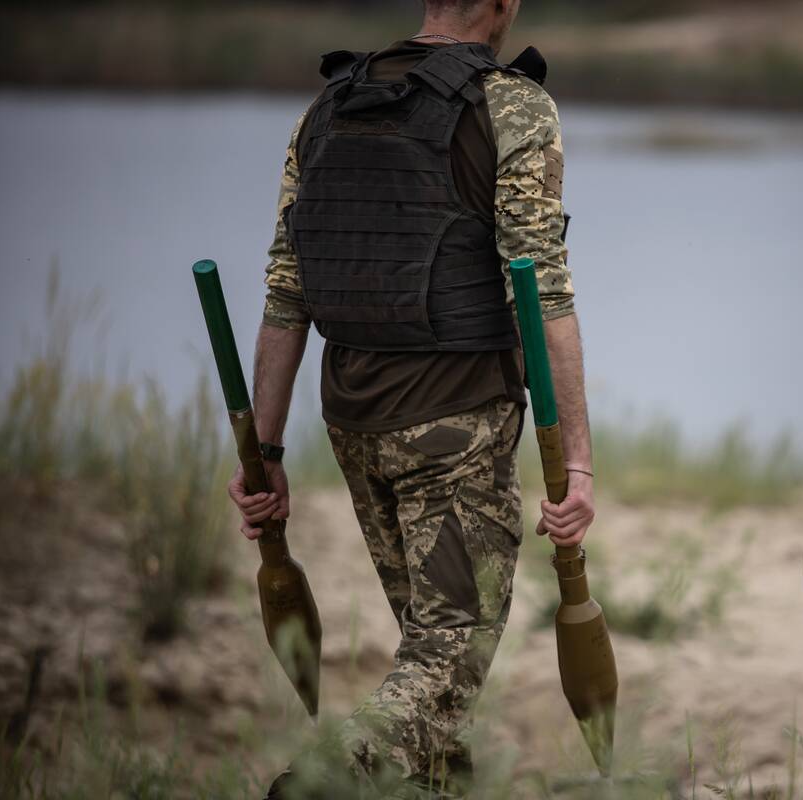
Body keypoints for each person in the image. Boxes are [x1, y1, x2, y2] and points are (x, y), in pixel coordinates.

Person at [226, 0, 595, 793]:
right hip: (454, 423)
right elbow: (544, 290)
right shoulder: (514, 104)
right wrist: (581, 467)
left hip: (352, 423)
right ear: (503, 6)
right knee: (447, 651)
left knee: (431, 665)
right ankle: (328, 779)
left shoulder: (328, 105)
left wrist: (267, 451)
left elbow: (286, 293)